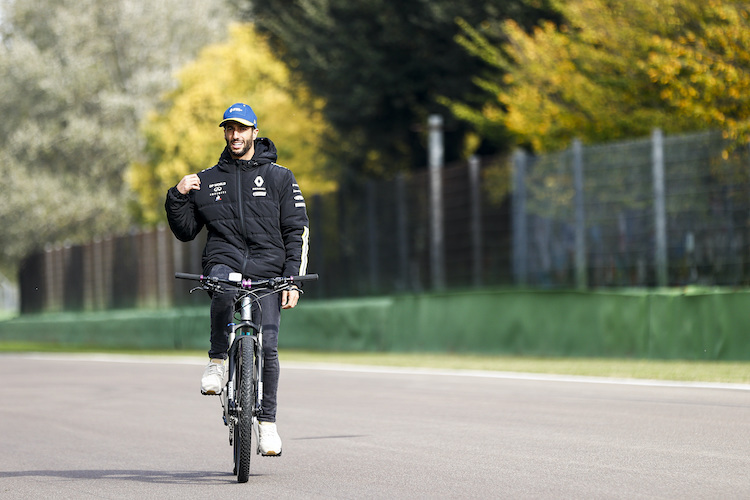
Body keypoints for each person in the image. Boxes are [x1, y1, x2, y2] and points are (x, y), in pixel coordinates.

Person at [165, 102, 310, 456]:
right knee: (222, 287)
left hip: (268, 269)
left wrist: (292, 280)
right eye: (229, 128)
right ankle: (217, 362)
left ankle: (268, 425)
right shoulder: (209, 179)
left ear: (254, 133)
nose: (235, 135)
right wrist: (177, 195)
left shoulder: (280, 176)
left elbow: (296, 231)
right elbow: (185, 231)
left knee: (270, 348)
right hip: (225, 259)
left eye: (242, 129)